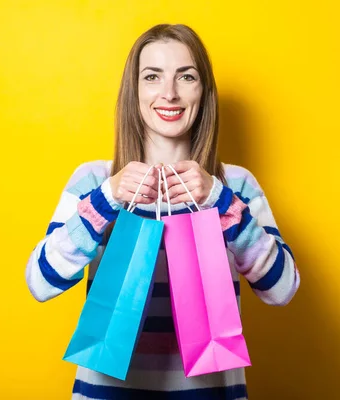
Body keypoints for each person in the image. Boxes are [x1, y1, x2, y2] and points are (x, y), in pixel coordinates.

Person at [24, 23, 300, 399]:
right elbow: (40, 283)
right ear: (134, 91)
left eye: (186, 77)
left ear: (204, 92)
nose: (169, 93)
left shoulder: (234, 185)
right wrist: (107, 199)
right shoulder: (95, 180)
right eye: (152, 76)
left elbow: (282, 290)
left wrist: (221, 202)